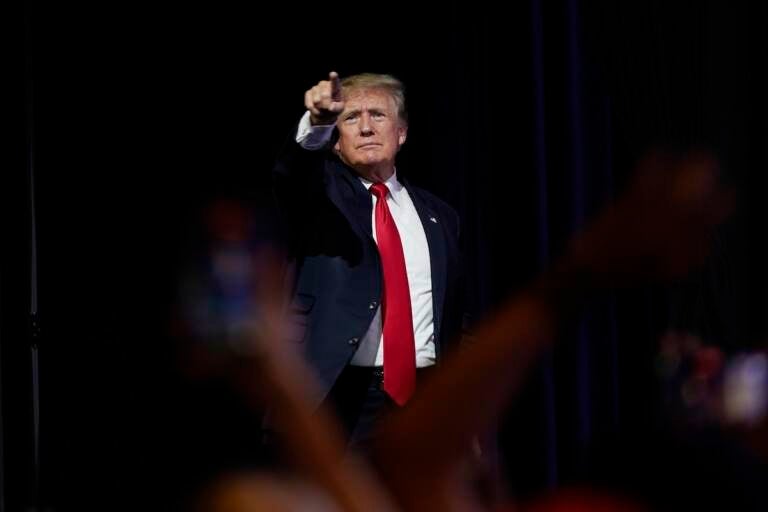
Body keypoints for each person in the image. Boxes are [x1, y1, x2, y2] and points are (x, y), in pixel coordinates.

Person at [271, 71, 464, 447]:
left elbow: (458, 314)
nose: (365, 128)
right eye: (350, 119)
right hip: (339, 399)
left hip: (425, 397)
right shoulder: (319, 200)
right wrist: (317, 122)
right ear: (336, 143)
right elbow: (292, 175)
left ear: (401, 132)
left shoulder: (440, 216)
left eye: (377, 115)